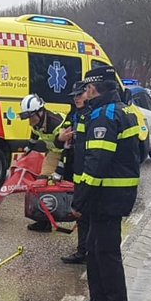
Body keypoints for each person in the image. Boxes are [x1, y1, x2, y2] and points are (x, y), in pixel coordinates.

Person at [65, 66, 142, 301]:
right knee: (96, 251)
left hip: (107, 195)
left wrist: (79, 202)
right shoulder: (123, 110)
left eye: (86, 88)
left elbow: (96, 163)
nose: (84, 92)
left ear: (94, 88)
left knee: (107, 255)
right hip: (112, 194)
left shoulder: (105, 114)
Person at [19, 93, 67, 232]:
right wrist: (27, 149)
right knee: (41, 184)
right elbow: (35, 135)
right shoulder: (37, 122)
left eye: (30, 117)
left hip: (68, 153)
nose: (29, 121)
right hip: (54, 152)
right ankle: (43, 222)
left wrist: (60, 170)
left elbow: (67, 147)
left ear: (40, 112)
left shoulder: (55, 123)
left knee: (69, 187)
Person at [59, 86, 91, 264]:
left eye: (79, 95)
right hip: (75, 165)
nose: (76, 99)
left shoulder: (92, 113)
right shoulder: (74, 113)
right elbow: (61, 134)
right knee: (81, 213)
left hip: (88, 168)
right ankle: (82, 251)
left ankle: (86, 252)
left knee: (86, 213)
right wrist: (63, 137)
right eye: (74, 96)